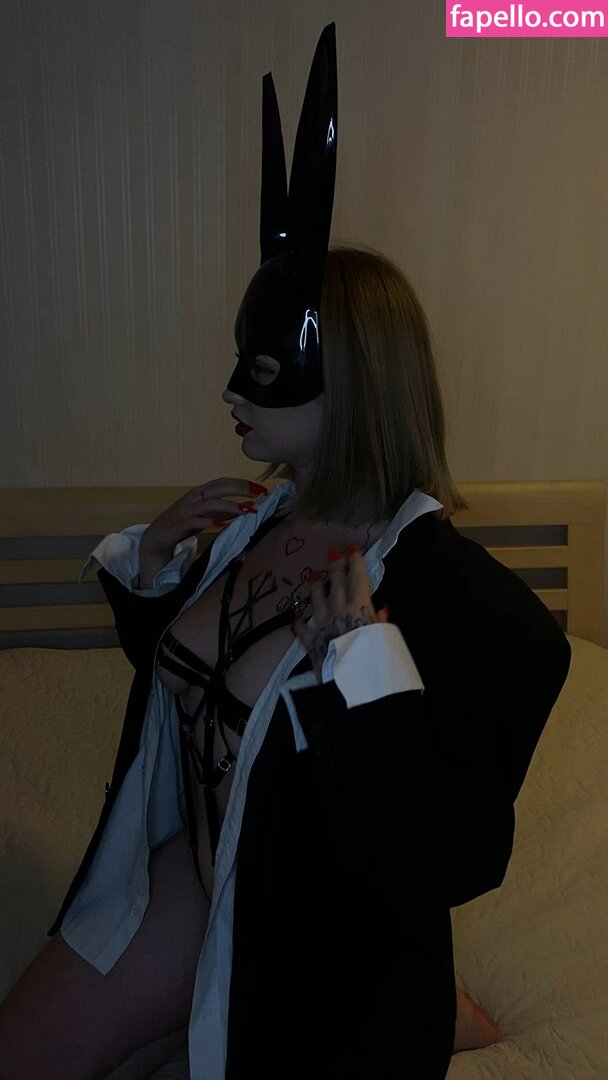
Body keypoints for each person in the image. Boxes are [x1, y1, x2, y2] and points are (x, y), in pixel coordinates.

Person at [0, 25, 571, 1080]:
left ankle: (423, 998)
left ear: (350, 384)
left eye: (260, 371)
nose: (229, 393)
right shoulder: (252, 523)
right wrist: (156, 570)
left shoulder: (466, 605)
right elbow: (194, 687)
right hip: (192, 875)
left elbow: (452, 848)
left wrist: (366, 664)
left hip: (314, 939)